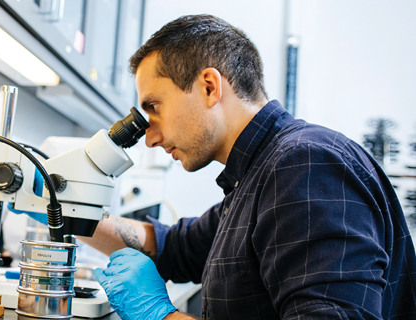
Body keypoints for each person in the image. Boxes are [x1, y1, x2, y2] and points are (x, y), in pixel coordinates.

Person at [80, 14, 416, 320]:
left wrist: (159, 316)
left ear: (209, 87)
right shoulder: (258, 175)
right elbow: (176, 248)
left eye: (154, 107)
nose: (149, 138)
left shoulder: (304, 165)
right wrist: (64, 207)